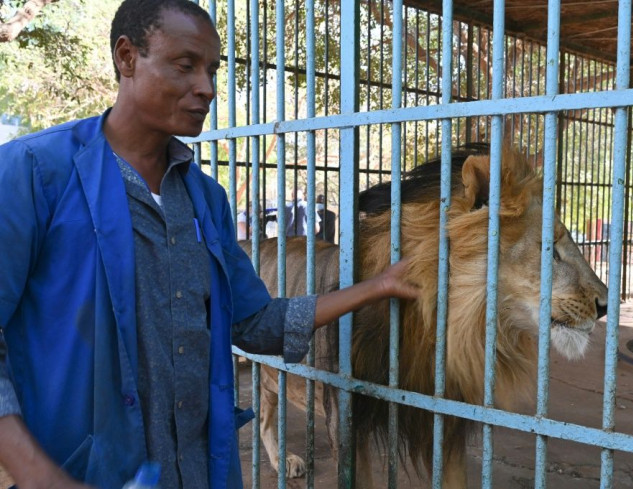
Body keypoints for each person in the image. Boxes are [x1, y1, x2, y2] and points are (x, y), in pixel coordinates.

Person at [0, 1, 418, 488]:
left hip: (198, 470)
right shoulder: (34, 174)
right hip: (85, 469)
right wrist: (38, 475)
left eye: (212, 70)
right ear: (127, 57)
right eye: (185, 65)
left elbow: (254, 323)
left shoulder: (205, 199)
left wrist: (378, 286)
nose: (207, 88)